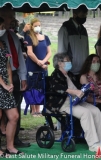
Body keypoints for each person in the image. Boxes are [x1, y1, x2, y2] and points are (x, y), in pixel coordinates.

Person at [47, 53, 101, 154]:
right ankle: (93, 144)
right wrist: (75, 92)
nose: (69, 62)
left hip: (76, 101)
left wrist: (88, 87)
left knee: (95, 110)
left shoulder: (70, 74)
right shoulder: (56, 74)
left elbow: (79, 86)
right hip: (64, 103)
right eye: (67, 60)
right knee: (85, 113)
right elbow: (57, 88)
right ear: (59, 63)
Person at [0, 6, 30, 148]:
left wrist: (23, 77)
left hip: (15, 76)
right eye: (10, 16)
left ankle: (14, 140)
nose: (13, 19)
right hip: (3, 79)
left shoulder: (13, 37)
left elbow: (19, 58)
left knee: (15, 109)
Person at [0, 17, 23, 156]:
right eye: (1, 26)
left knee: (14, 116)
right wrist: (3, 84)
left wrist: (10, 83)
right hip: (1, 85)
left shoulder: (3, 43)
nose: (3, 29)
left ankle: (10, 146)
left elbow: (8, 64)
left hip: (6, 86)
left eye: (3, 26)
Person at [25, 18, 51, 117]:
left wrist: (43, 62)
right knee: (32, 87)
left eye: (39, 25)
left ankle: (39, 109)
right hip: (32, 67)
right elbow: (30, 53)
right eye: (35, 25)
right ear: (32, 26)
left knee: (41, 87)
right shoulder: (29, 37)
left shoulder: (46, 37)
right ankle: (33, 110)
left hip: (43, 67)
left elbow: (49, 52)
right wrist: (39, 62)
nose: (37, 27)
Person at [57, 5, 89, 79]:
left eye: (85, 15)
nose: (84, 17)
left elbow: (86, 50)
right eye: (82, 15)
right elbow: (61, 51)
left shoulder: (84, 30)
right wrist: (64, 68)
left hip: (82, 71)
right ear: (75, 14)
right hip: (70, 71)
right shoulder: (65, 29)